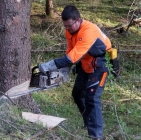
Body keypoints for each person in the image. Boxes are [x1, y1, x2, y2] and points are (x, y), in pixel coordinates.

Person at [39, 5, 112, 140]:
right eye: (65, 26)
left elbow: (73, 57)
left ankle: (96, 135)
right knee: (77, 94)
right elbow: (70, 51)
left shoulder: (88, 31)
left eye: (70, 25)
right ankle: (88, 121)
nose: (67, 29)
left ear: (78, 20)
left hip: (100, 66)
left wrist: (50, 65)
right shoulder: (70, 32)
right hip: (85, 65)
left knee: (92, 98)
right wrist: (64, 69)